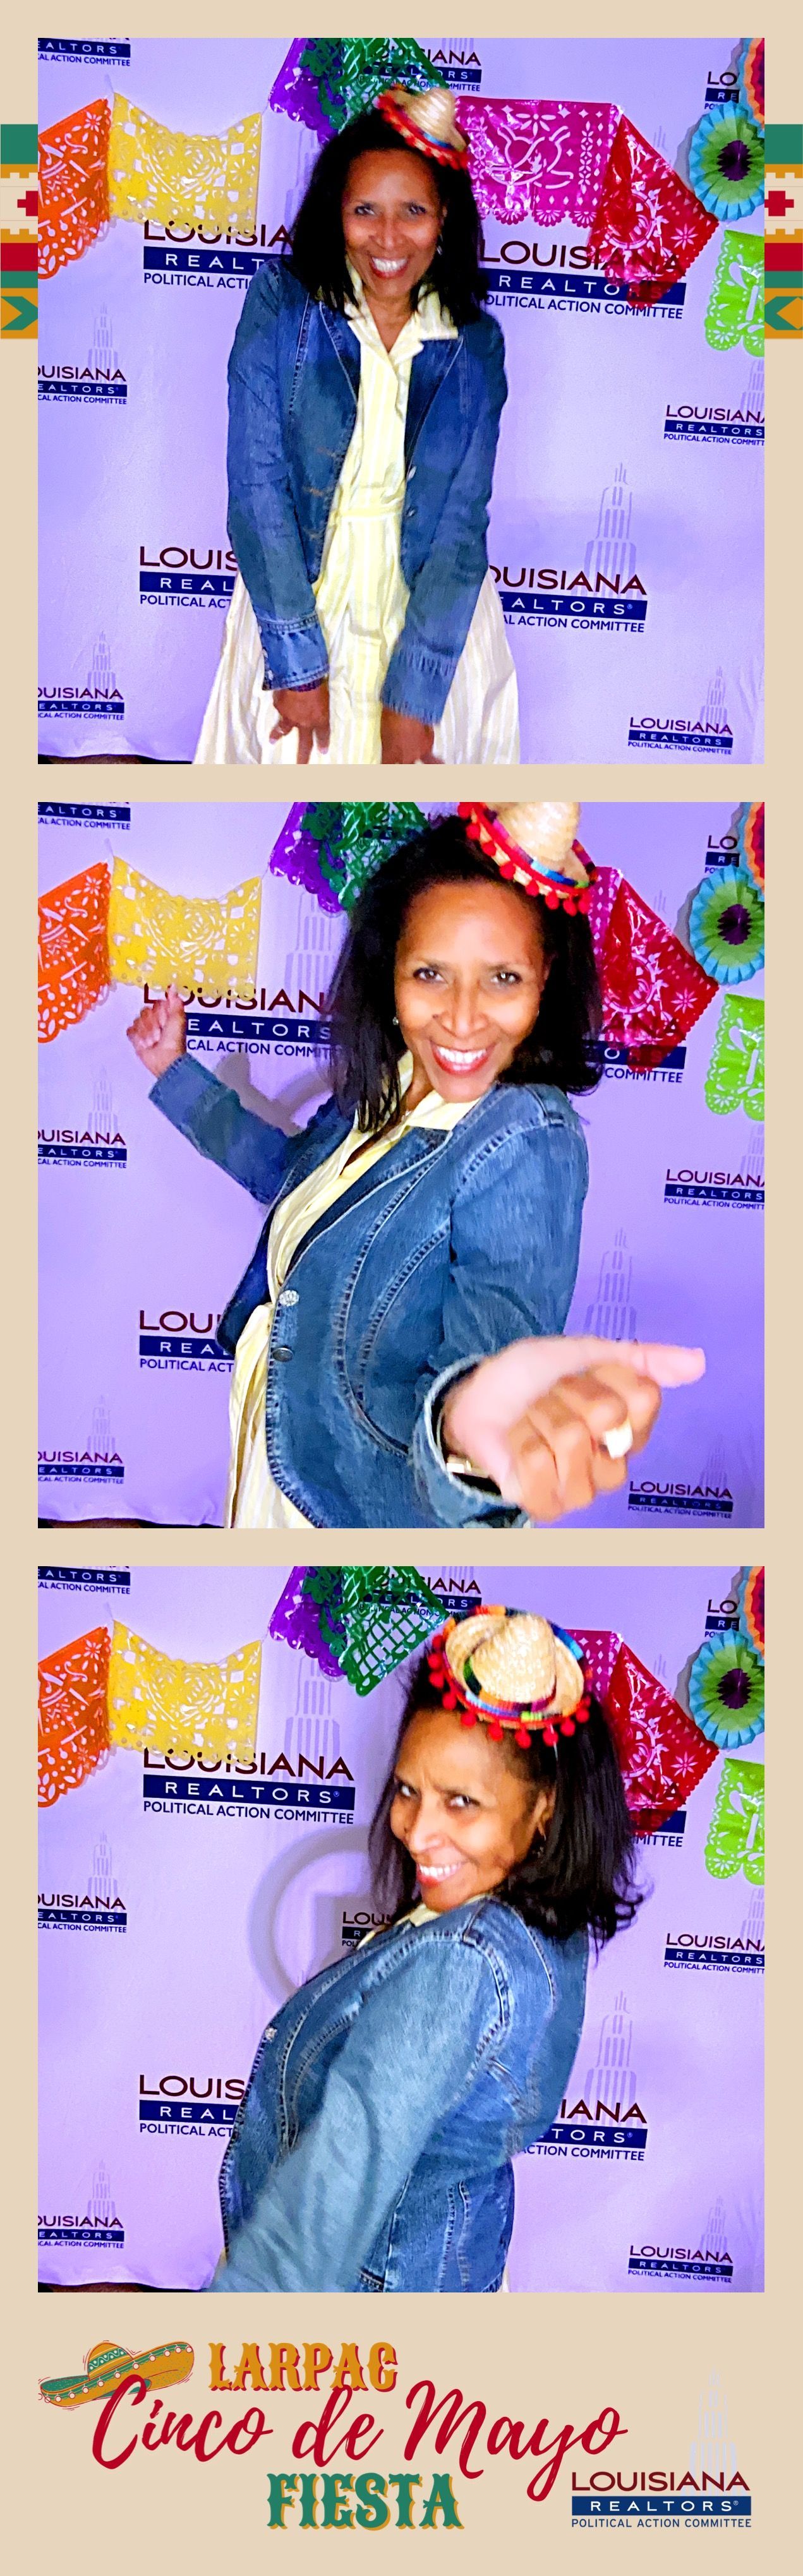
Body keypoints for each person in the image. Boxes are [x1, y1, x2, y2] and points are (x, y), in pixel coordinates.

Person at [126, 803, 704, 1528]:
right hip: (279, 1454)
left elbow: (492, 1356)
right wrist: (175, 1073)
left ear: (544, 979)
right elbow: (293, 1177)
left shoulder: (526, 1136)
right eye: (431, 973)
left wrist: (466, 1438)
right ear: (391, 973)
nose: (461, 1018)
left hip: (343, 1514)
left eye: (502, 977)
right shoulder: (392, 1079)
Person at [208, 1605, 643, 2292]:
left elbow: (342, 2174)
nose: (415, 1830)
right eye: (409, 1790)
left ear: (544, 1808)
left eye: (461, 1802)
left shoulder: (462, 1961)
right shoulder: (536, 1917)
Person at [194, 86, 518, 766]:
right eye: (364, 210)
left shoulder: (476, 344)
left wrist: (417, 695)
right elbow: (257, 489)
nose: (388, 238)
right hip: (301, 595)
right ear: (335, 212)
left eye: (413, 211)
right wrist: (295, 664)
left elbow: (460, 526)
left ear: (444, 215)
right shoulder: (281, 307)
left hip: (431, 619)